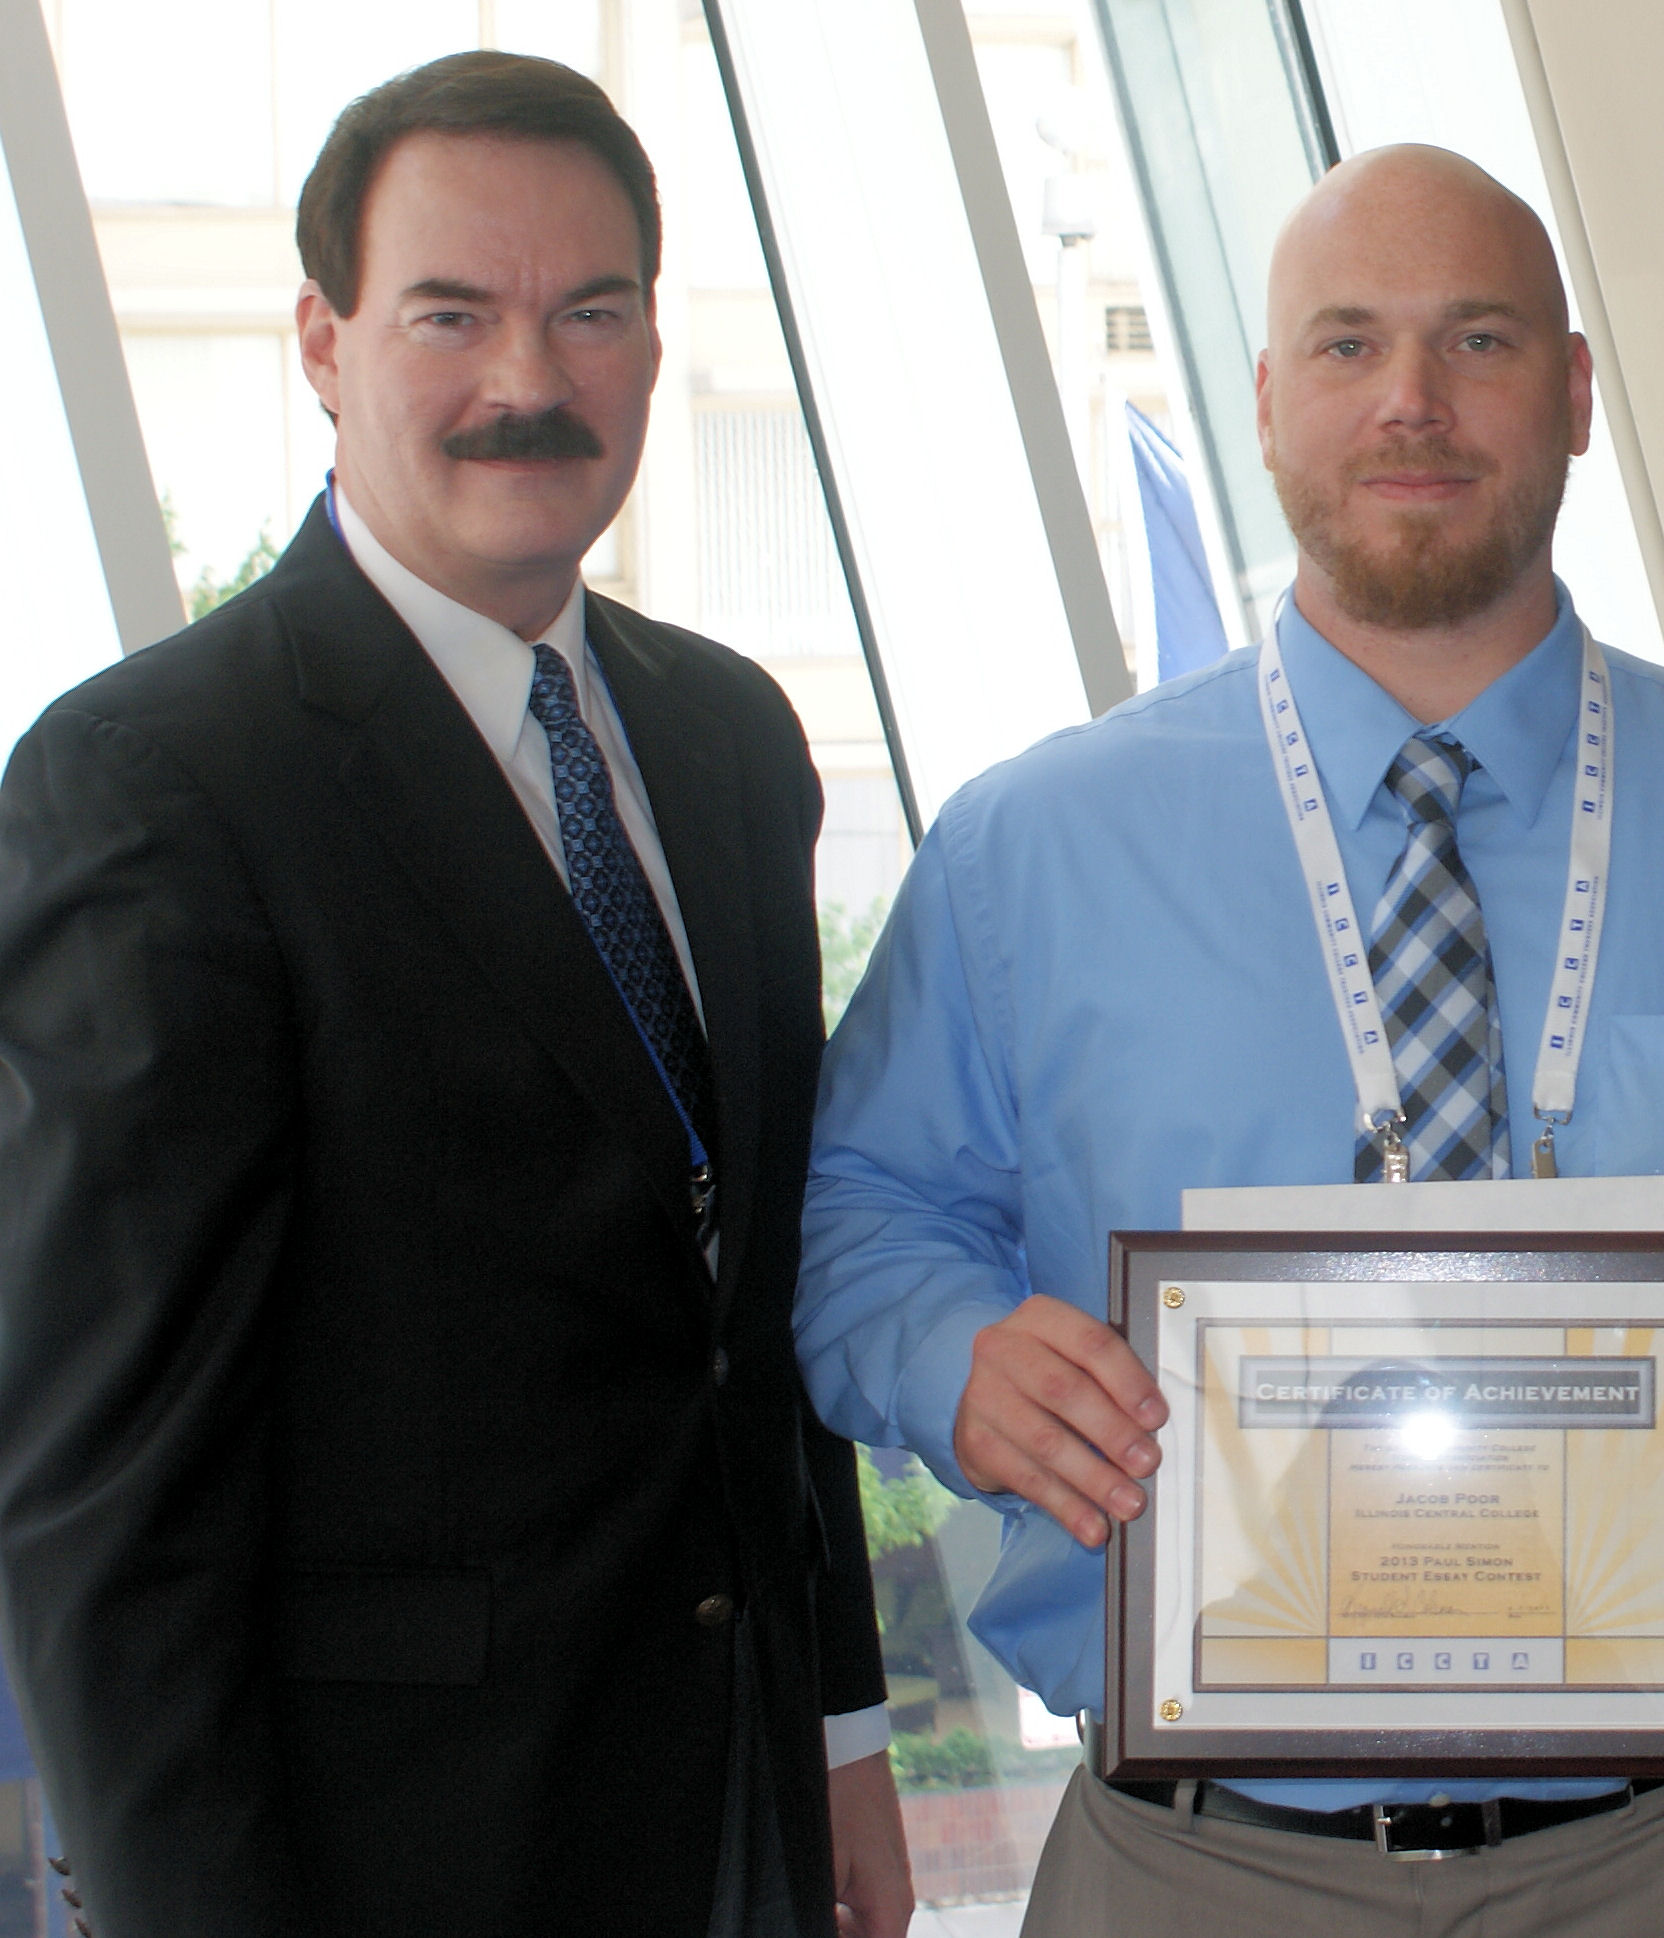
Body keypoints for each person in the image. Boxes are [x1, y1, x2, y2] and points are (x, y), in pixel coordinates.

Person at [795, 144, 1664, 1937]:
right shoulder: (1024, 852)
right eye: (1348, 346)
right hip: (1189, 1868)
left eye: (1480, 340)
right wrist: (952, 1356)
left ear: (1576, 396)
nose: (1413, 402)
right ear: (1266, 404)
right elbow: (859, 1211)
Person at [0, 51, 909, 1938]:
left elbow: (746, 1299)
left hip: (737, 1809)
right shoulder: (156, 785)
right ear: (324, 344)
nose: (529, 380)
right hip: (386, 1857)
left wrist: (837, 1731)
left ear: (656, 344)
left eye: (591, 311)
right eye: (451, 314)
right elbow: (108, 1491)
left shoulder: (730, 739)